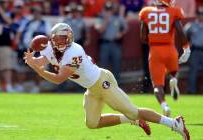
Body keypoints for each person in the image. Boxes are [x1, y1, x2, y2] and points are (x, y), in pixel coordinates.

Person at [24, 23, 190, 139]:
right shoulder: (49, 47)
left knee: (134, 111)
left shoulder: (74, 51)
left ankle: (174, 123)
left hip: (102, 82)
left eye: (64, 38)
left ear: (70, 37)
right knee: (92, 123)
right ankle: (131, 120)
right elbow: (41, 61)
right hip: (91, 88)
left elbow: (59, 79)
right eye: (58, 38)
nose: (62, 41)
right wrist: (33, 62)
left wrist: (37, 69)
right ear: (52, 38)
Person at [139, 0, 191, 116]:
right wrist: (186, 48)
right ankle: (173, 79)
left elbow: (142, 37)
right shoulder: (174, 12)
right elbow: (180, 32)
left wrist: (153, 40)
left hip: (155, 50)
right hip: (169, 48)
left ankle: (164, 105)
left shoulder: (146, 12)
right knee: (173, 71)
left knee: (157, 85)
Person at [184, 6, 203, 94]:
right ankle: (191, 91)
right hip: (195, 50)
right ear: (196, 15)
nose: (201, 16)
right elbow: (184, 36)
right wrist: (188, 45)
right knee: (193, 71)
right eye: (199, 14)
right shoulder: (191, 25)